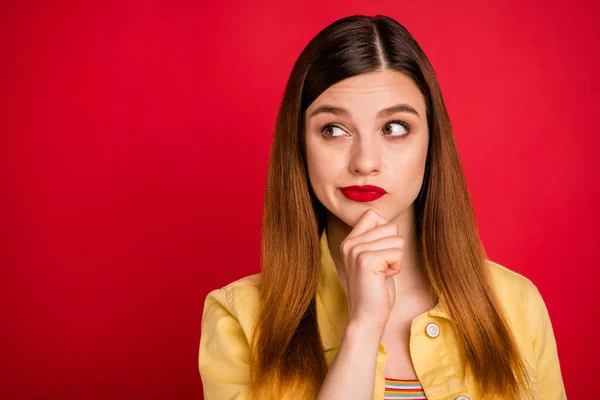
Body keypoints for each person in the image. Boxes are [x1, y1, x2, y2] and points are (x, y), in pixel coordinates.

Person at [197, 14, 566, 400]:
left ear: (430, 142)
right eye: (334, 130)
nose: (364, 161)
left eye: (393, 128)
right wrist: (363, 325)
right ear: (300, 145)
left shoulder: (516, 305)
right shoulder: (240, 319)